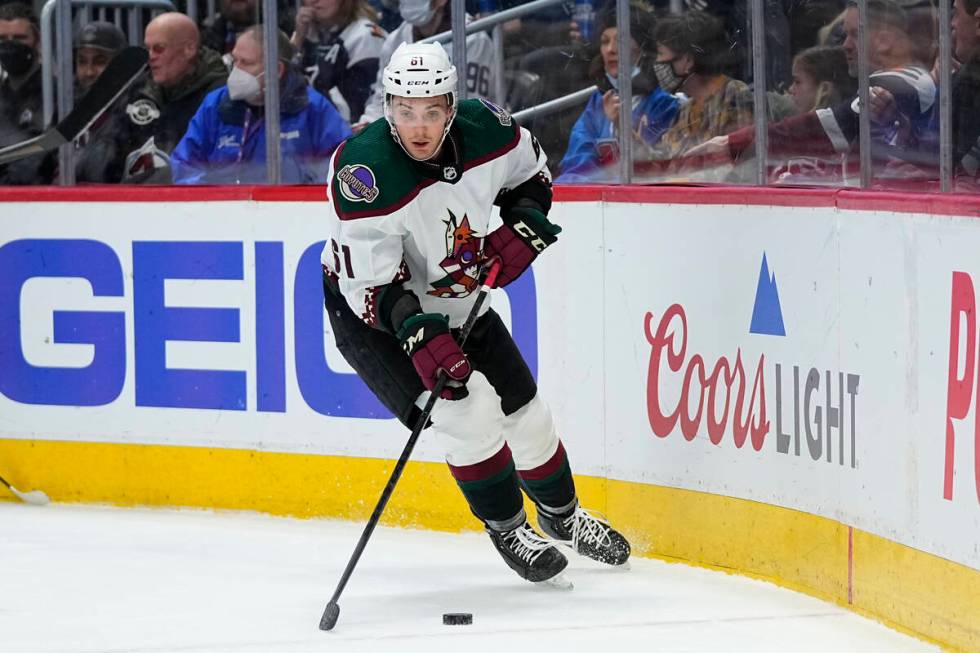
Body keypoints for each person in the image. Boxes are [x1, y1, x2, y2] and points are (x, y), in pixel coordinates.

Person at [320, 41, 631, 583]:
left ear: (451, 104)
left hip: (457, 289)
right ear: (388, 106)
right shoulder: (362, 171)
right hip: (378, 317)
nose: (418, 127)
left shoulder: (488, 128)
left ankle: (563, 516)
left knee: (525, 410)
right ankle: (508, 527)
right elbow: (371, 283)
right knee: (467, 412)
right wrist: (417, 332)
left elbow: (531, 177)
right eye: (405, 112)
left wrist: (525, 222)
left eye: (432, 112)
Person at [688, 0, 938, 183]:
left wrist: (734, 143)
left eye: (854, 35)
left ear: (884, 41)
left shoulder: (905, 81)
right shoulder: (894, 83)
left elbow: (820, 128)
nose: (845, 46)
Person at [171, 26, 351, 184]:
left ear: (277, 70)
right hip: (222, 214)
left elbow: (342, 167)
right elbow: (183, 166)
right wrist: (210, 197)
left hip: (294, 214)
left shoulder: (312, 108)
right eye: (235, 61)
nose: (237, 70)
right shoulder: (215, 105)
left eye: (247, 63)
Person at [556, 6, 679, 183]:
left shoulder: (665, 102)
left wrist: (622, 125)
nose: (610, 50)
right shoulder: (598, 101)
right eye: (604, 41)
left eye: (620, 41)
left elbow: (656, 170)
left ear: (643, 48)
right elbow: (577, 164)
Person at [636, 9, 753, 180]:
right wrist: (623, 130)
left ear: (688, 61)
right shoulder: (686, 109)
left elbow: (742, 165)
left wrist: (688, 180)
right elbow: (663, 162)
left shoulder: (733, 94)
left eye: (661, 54)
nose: (657, 63)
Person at [116, 12, 228, 183]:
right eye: (148, 48)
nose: (150, 57)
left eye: (159, 48)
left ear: (189, 49)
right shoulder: (138, 88)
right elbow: (110, 146)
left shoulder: (220, 96)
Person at [353, 0, 494, 131]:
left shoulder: (474, 39)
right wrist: (368, 125)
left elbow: (470, 113)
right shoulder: (394, 41)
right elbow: (381, 101)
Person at [292, 0, 386, 123]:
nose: (313, 1)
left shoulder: (364, 37)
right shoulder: (310, 35)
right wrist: (298, 39)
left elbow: (364, 109)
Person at [0, 2, 52, 184]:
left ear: (37, 40)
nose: (10, 45)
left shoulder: (55, 93)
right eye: (3, 38)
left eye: (19, 38)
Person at [73, 22, 130, 184]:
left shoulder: (135, 108)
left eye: (100, 61)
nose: (89, 72)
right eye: (82, 61)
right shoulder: (69, 105)